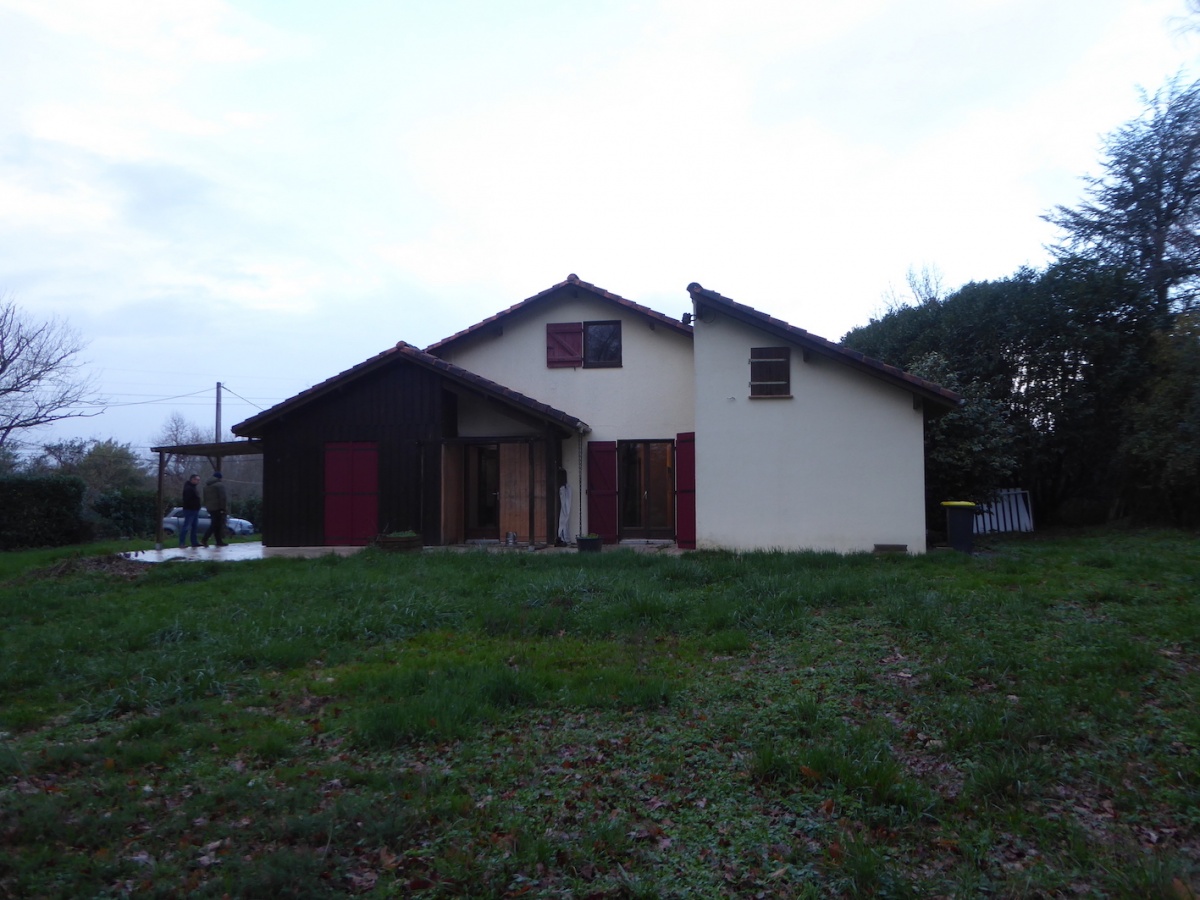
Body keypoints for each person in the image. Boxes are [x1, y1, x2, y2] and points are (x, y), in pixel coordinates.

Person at [202, 471, 229, 548]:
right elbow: (222, 498)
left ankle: (218, 541)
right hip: (218, 508)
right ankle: (205, 539)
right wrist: (223, 508)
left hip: (210, 508)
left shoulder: (206, 486)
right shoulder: (219, 485)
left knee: (216, 524)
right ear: (220, 478)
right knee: (215, 525)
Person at [179, 473, 202, 548]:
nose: (198, 481)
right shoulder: (189, 488)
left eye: (198, 480)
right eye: (197, 480)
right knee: (186, 526)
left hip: (194, 510)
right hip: (190, 510)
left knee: (194, 527)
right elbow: (187, 500)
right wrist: (193, 505)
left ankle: (194, 542)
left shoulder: (193, 488)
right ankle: (182, 543)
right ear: (192, 480)